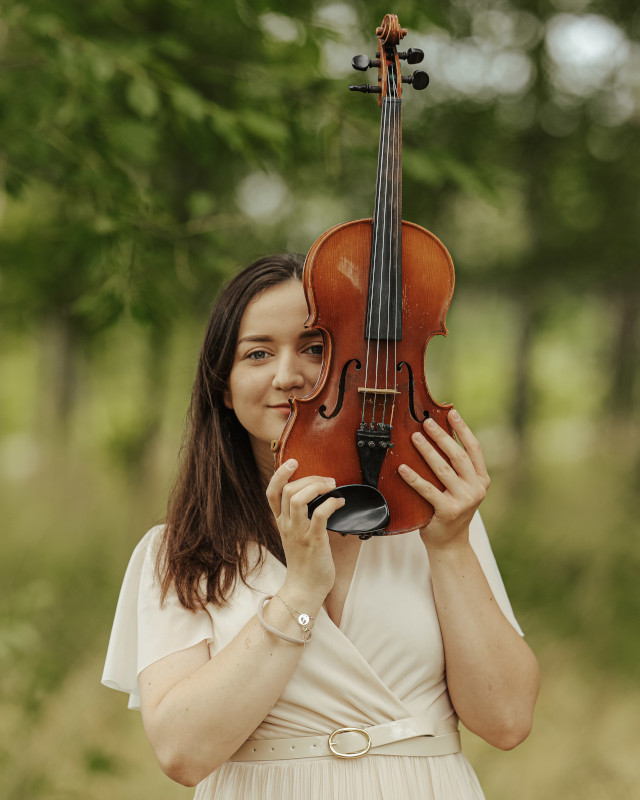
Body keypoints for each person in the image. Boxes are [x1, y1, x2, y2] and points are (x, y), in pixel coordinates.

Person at [102, 253, 539, 799]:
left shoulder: (434, 523)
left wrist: (450, 547)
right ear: (223, 385)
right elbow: (183, 752)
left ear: (356, 362)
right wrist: (302, 590)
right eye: (258, 353)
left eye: (315, 348)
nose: (289, 376)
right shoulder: (181, 551)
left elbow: (506, 720)